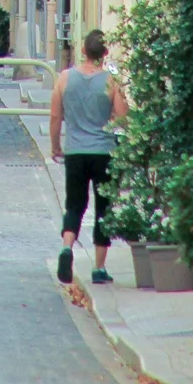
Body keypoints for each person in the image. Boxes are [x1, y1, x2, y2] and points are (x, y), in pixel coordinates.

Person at [50, 28, 128, 285]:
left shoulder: (64, 79)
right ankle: (99, 267)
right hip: (103, 151)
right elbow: (123, 116)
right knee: (103, 208)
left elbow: (55, 116)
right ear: (104, 54)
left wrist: (55, 146)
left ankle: (66, 248)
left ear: (83, 50)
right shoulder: (110, 80)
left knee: (74, 204)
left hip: (75, 150)